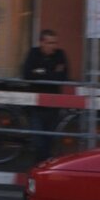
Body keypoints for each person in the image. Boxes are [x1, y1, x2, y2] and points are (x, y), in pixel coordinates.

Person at [22, 29, 69, 161]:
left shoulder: (60, 54)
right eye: (50, 43)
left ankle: (43, 165)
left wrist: (40, 72)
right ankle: (41, 165)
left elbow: (63, 77)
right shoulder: (33, 53)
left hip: (54, 103)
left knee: (49, 138)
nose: (53, 46)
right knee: (38, 139)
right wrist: (51, 72)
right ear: (42, 42)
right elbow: (27, 74)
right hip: (36, 104)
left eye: (55, 43)